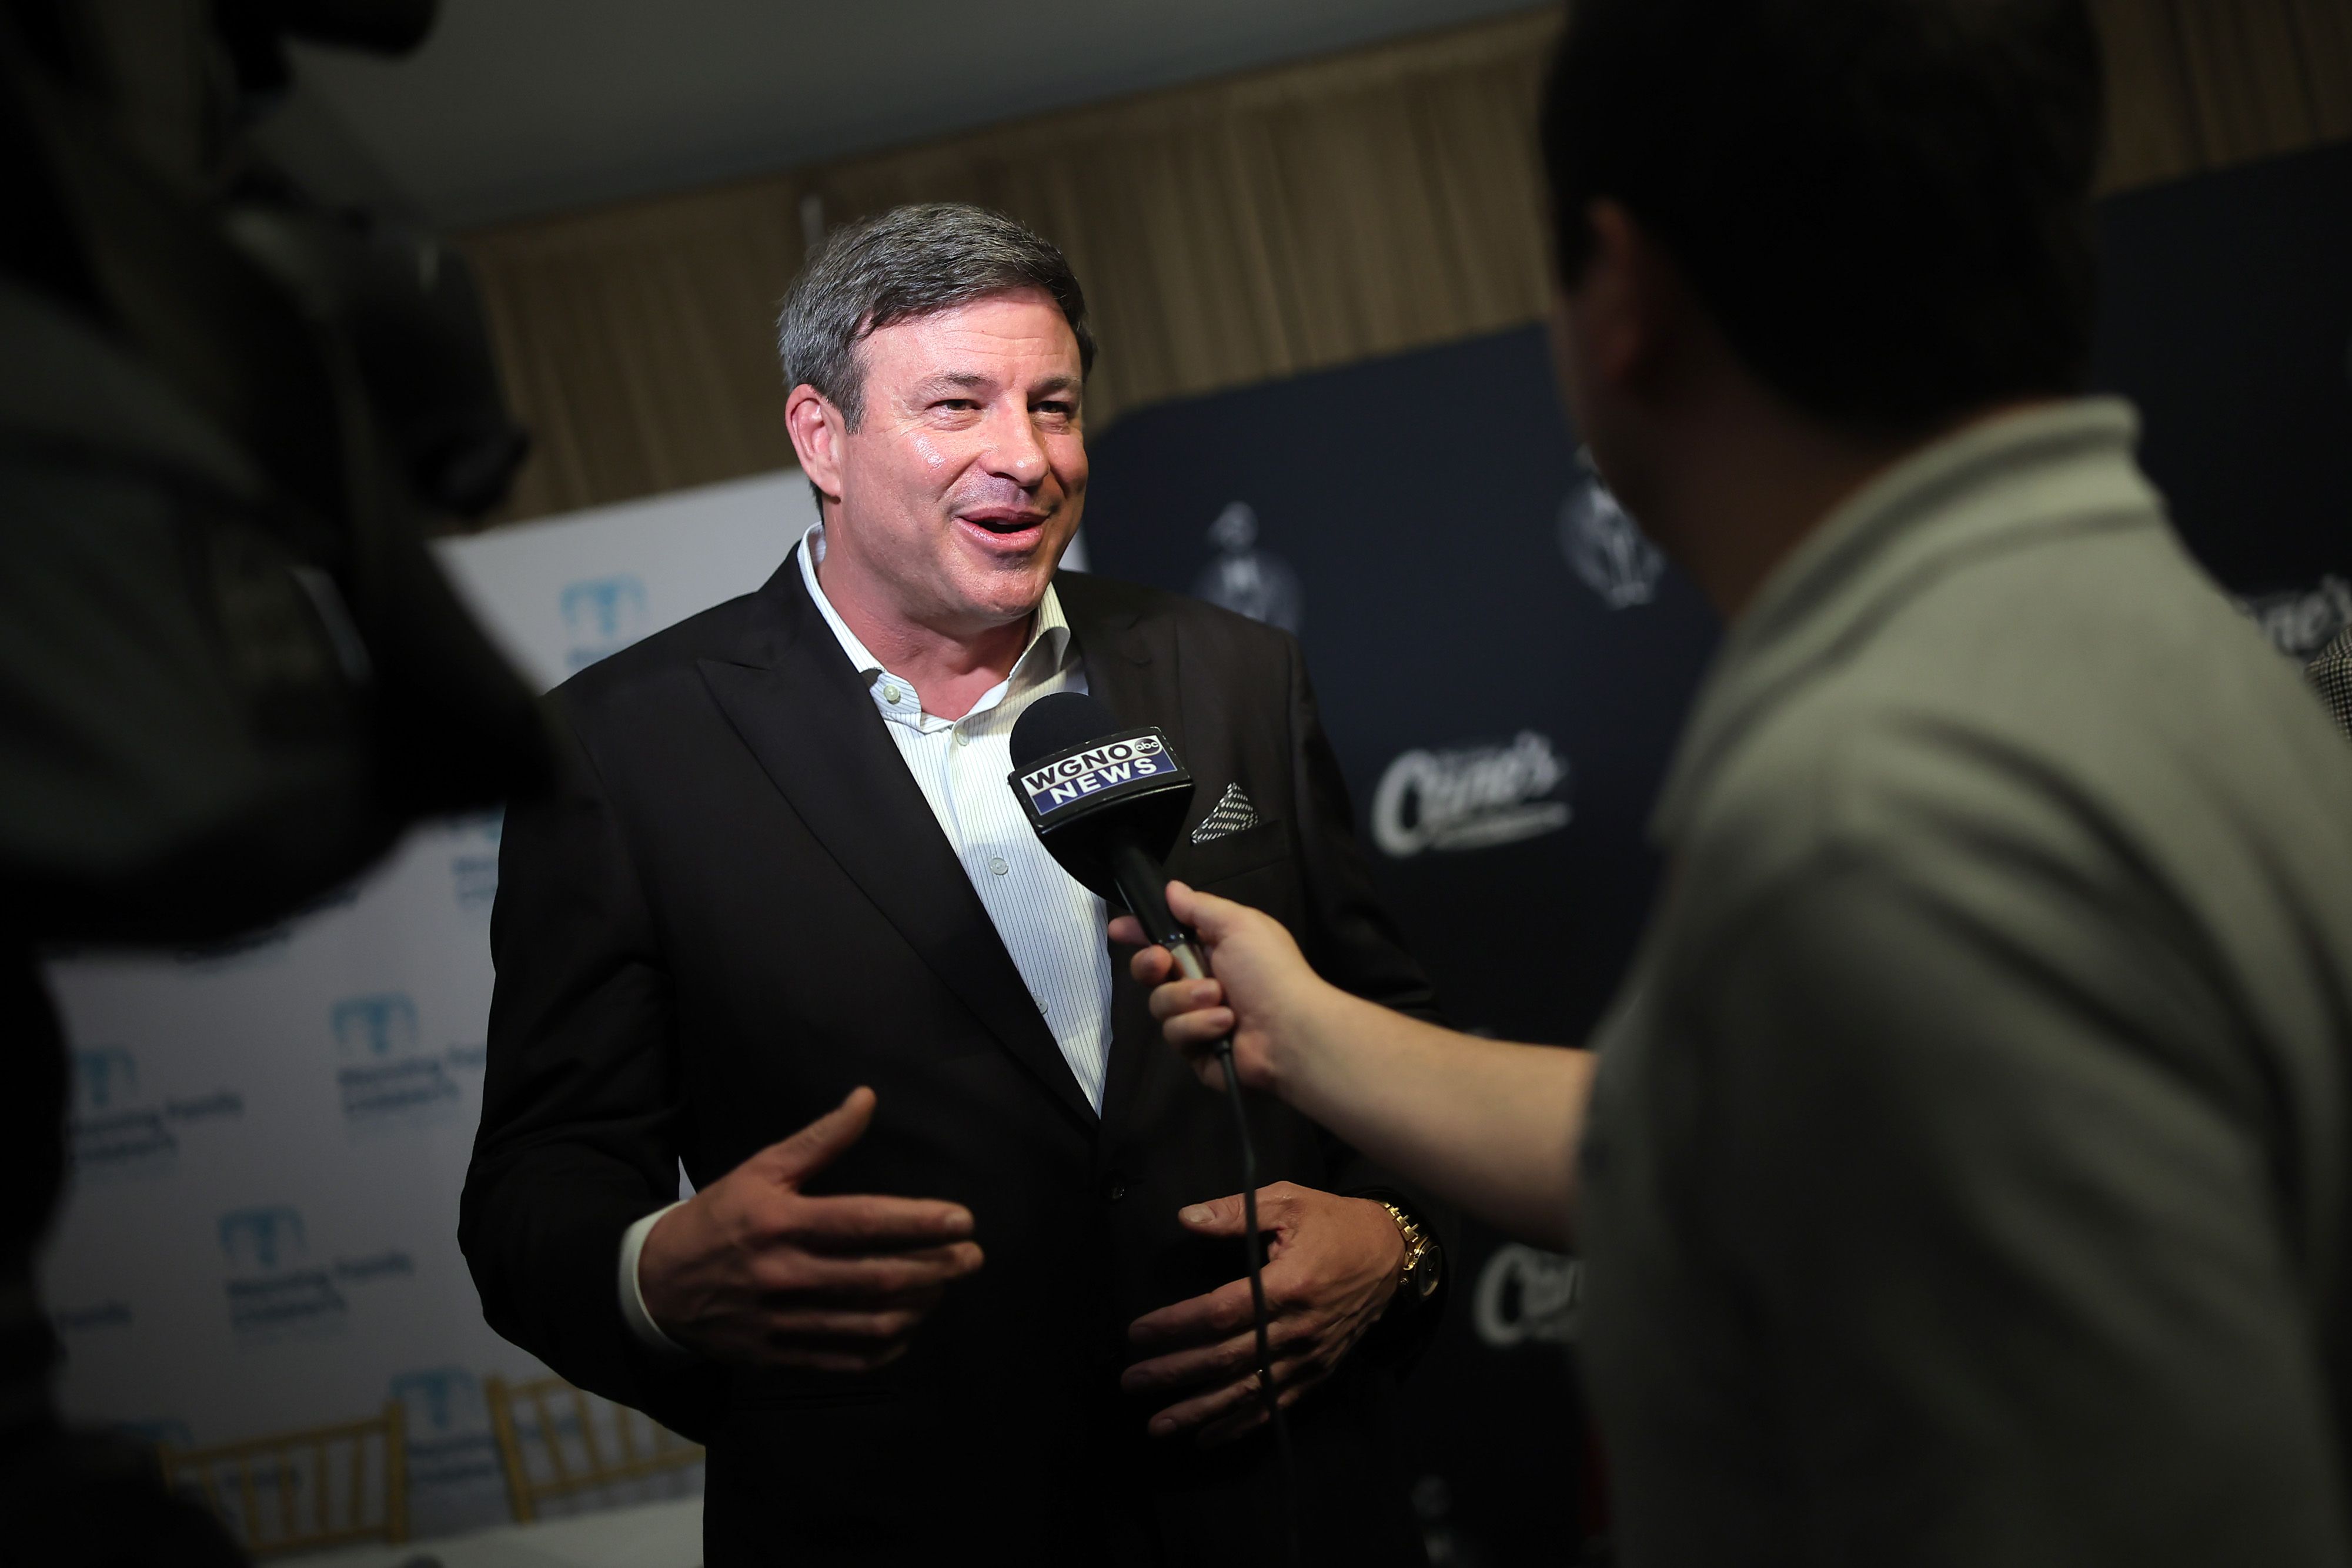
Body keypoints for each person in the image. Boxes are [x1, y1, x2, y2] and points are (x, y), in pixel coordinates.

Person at [1124, 2, 2352, 1563]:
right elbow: (1702, 1149)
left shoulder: (1879, 823)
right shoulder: (2187, 663)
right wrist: (1312, 1032)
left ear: (1621, 295)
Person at [460, 203, 1449, 1567]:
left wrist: (1394, 1238)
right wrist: (658, 1273)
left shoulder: (1229, 675)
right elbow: (536, 1181)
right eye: (956, 405)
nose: (1025, 457)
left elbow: (1390, 1034)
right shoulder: (619, 752)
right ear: (820, 437)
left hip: (1277, 1506)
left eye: (1053, 404)